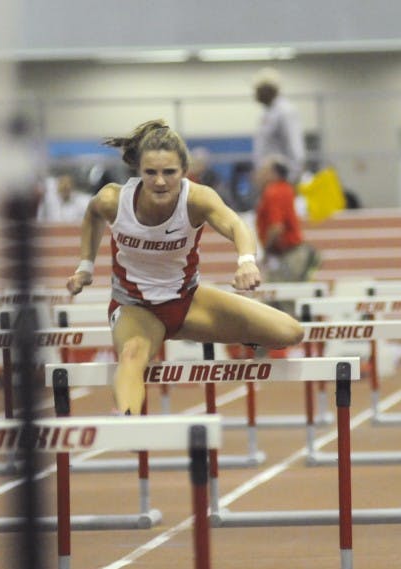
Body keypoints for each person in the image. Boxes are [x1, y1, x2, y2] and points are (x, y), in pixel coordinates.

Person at [65, 120, 303, 415]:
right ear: (138, 170)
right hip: (136, 308)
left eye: (169, 172)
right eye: (150, 173)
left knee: (290, 332)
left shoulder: (196, 199)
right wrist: (85, 266)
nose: (160, 182)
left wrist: (246, 261)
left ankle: (212, 330)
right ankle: (126, 423)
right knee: (132, 355)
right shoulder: (114, 200)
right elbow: (91, 216)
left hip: (188, 302)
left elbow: (235, 224)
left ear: (184, 170)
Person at [255, 156, 319, 286]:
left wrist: (266, 253)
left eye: (263, 171)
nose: (258, 175)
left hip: (287, 255)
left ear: (272, 173)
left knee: (276, 298)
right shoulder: (286, 188)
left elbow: (276, 227)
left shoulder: (273, 192)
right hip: (295, 253)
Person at [252, 67, 305, 184]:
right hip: (268, 179)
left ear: (269, 89)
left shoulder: (286, 111)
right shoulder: (267, 113)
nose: (255, 94)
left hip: (283, 180)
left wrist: (292, 179)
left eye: (258, 90)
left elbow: (295, 147)